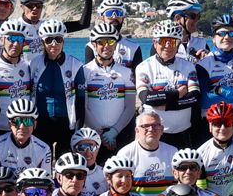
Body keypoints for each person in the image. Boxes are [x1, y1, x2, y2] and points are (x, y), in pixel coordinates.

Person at [135, 19, 202, 149]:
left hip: (183, 132)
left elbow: (195, 97)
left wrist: (166, 105)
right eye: (163, 41)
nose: (168, 46)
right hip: (155, 134)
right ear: (155, 43)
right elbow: (146, 98)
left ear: (178, 45)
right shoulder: (143, 67)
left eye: (173, 42)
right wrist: (177, 93)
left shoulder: (188, 67)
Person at [79, 21, 137, 154]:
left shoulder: (126, 72)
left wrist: (114, 132)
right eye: (101, 42)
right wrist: (100, 133)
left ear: (116, 44)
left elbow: (130, 107)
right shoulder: (84, 71)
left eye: (111, 42)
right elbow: (84, 106)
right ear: (94, 45)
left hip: (120, 133)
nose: (106, 46)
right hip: (94, 134)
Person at [28, 19, 84, 151]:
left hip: (66, 124)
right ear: (43, 42)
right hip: (40, 123)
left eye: (58, 39)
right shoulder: (33, 64)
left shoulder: (75, 65)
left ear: (63, 41)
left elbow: (81, 100)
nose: (54, 44)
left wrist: (78, 130)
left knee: (64, 167)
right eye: (49, 40)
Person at [0, 19, 37, 138]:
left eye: (19, 40)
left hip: (20, 130)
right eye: (11, 39)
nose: (15, 44)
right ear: (2, 39)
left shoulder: (28, 67)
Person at [195, 102, 233, 196]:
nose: (222, 128)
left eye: (227, 123)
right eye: (217, 123)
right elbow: (201, 190)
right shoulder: (200, 153)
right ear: (210, 126)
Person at [0, 96, 52, 175]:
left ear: (35, 124)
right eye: (17, 121)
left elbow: (46, 181)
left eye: (27, 121)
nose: (22, 126)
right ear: (9, 124)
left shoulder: (44, 149)